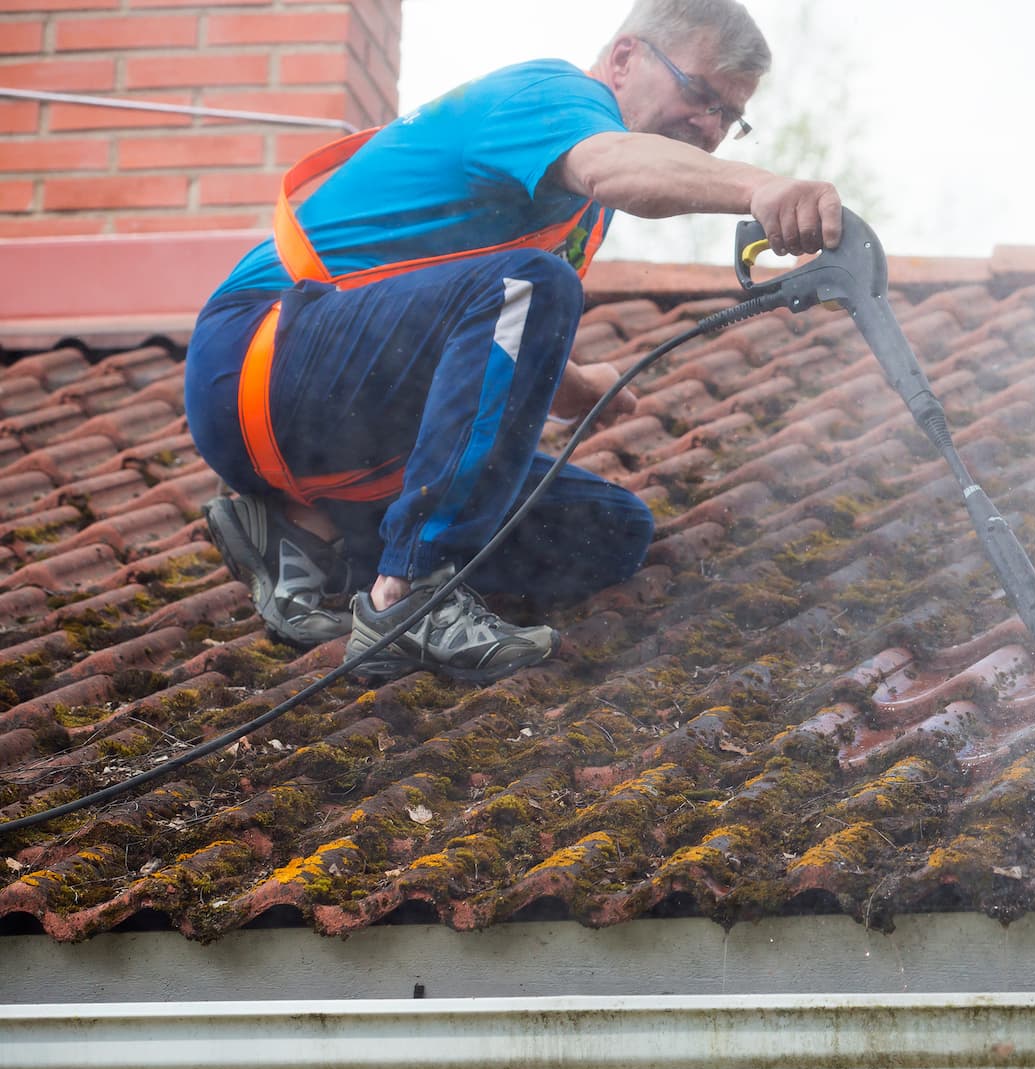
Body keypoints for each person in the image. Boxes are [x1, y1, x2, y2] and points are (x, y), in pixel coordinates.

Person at [183, 0, 841, 684]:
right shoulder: (551, 96)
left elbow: (480, 337)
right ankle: (412, 595)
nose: (709, 127)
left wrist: (577, 384)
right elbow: (602, 178)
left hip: (348, 428)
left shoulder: (578, 213)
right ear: (624, 60)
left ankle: (300, 538)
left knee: (610, 532)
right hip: (256, 358)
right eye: (701, 94)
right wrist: (764, 187)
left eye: (729, 118)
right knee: (535, 283)